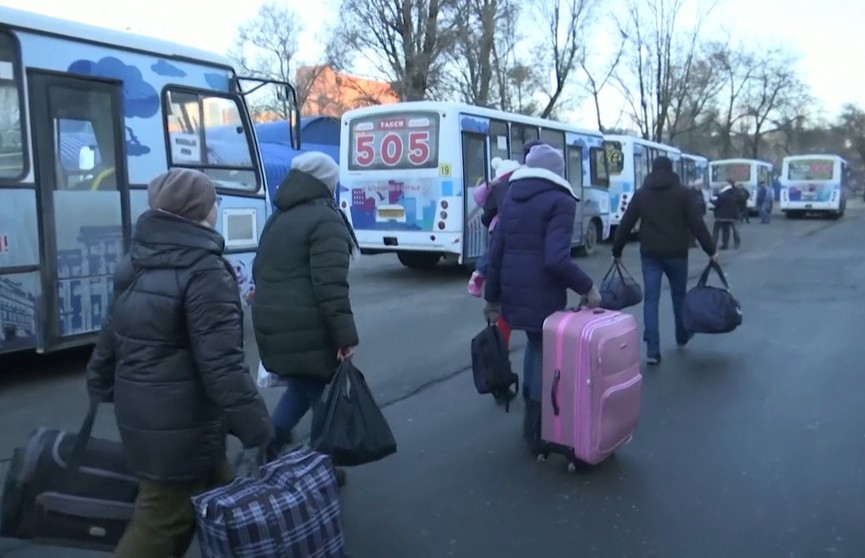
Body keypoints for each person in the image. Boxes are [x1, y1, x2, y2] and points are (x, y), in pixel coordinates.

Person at [85, 168, 275, 558]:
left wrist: (101, 383)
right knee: (161, 521)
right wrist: (259, 430)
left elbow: (110, 335)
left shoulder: (138, 259)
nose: (218, 208)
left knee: (219, 493)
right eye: (214, 202)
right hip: (181, 425)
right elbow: (222, 365)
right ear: (200, 211)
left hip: (147, 414)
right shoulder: (206, 271)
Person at [483, 143, 601, 450]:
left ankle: (532, 428)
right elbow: (556, 259)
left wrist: (492, 299)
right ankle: (539, 431)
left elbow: (496, 252)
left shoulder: (510, 198)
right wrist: (588, 287)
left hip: (511, 292)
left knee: (535, 349)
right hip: (543, 294)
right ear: (558, 172)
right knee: (542, 352)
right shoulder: (560, 201)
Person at [251, 151, 359, 485]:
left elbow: (261, 269)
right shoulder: (325, 219)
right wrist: (345, 337)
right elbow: (330, 286)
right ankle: (320, 468)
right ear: (327, 182)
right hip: (310, 327)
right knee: (323, 398)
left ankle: (267, 446)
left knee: (303, 387)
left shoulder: (279, 216)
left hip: (275, 321)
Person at [612, 156, 717, 366]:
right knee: (679, 296)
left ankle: (652, 349)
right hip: (677, 253)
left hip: (650, 254)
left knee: (651, 299)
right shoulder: (684, 193)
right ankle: (681, 335)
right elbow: (697, 223)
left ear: (652, 170)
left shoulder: (642, 194)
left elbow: (626, 223)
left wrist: (617, 250)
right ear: (671, 170)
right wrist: (711, 250)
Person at [467, 157, 522, 297]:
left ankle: (482, 276)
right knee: (494, 253)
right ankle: (480, 275)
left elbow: (479, 198)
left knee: (495, 254)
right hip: (502, 226)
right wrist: (491, 184)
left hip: (497, 226)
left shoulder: (500, 186)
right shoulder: (505, 185)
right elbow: (478, 196)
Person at [711, 179, 742, 249]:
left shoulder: (721, 194)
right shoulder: (735, 192)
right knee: (728, 230)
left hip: (720, 215)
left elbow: (717, 203)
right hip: (732, 215)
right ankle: (731, 244)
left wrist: (711, 200)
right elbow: (741, 200)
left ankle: (714, 244)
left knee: (716, 230)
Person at [687, 180, 707, 248]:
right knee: (693, 228)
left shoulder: (700, 192)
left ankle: (693, 241)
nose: (701, 187)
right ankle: (691, 242)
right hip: (693, 213)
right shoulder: (691, 192)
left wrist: (704, 210)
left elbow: (702, 201)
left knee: (697, 228)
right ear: (697, 185)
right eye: (700, 185)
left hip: (699, 212)